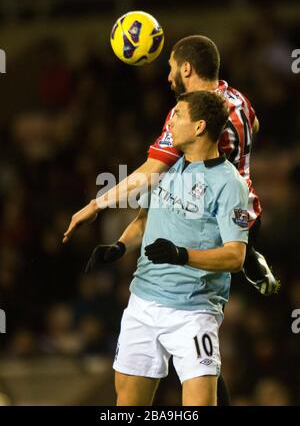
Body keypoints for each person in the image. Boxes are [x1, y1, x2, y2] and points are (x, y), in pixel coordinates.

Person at [63, 35, 279, 297]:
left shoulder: (190, 115)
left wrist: (96, 204)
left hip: (207, 219)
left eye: (170, 66)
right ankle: (250, 257)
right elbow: (254, 126)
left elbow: (150, 171)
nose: (168, 76)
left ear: (186, 68)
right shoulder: (237, 98)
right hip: (248, 212)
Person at [85, 91, 249, 406]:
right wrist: (119, 247)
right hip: (142, 303)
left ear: (199, 126)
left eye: (177, 114)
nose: (169, 120)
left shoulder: (229, 184)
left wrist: (182, 256)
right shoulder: (167, 166)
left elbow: (235, 256)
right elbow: (145, 220)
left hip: (193, 310)